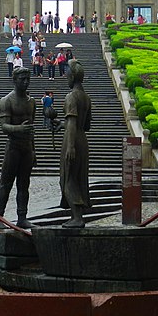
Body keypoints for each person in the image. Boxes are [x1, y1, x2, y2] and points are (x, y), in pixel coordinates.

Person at [0, 67, 37, 229]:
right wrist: (19, 129)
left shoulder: (31, 102)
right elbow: (4, 127)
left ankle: (22, 217)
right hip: (13, 147)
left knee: (24, 184)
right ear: (14, 80)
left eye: (27, 79)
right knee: (6, 183)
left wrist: (34, 151)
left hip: (26, 148)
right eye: (22, 79)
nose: (25, 82)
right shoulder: (7, 101)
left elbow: (31, 129)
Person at [60, 60, 93, 227]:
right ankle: (77, 215)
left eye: (67, 76)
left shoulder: (71, 96)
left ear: (72, 77)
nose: (66, 78)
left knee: (67, 178)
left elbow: (72, 122)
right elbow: (86, 125)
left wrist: (70, 145)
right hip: (82, 139)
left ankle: (77, 217)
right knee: (80, 177)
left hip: (72, 140)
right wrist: (63, 124)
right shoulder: (86, 98)